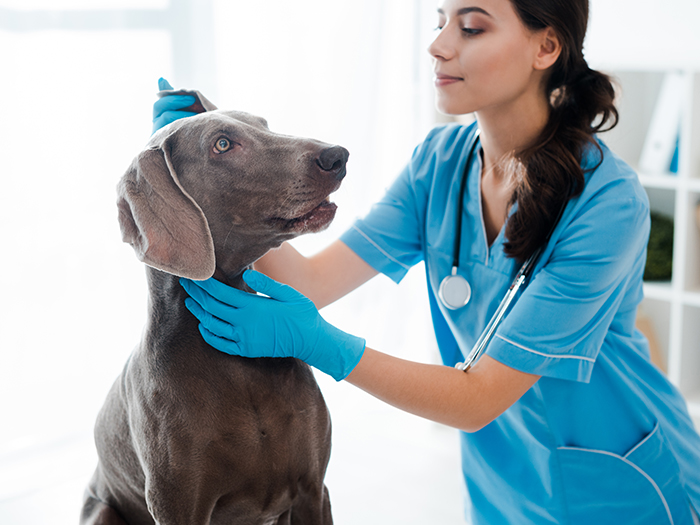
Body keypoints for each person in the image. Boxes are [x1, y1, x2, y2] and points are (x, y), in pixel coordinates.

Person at [153, 0, 700, 523]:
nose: (438, 46)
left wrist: (317, 343)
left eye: (472, 27)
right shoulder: (439, 165)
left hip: (623, 486)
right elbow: (311, 280)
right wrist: (206, 178)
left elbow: (478, 397)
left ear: (547, 47)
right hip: (503, 486)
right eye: (440, 22)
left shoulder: (607, 202)